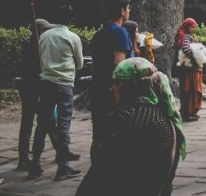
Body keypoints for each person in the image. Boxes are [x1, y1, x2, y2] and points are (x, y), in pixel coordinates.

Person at [75, 58, 186, 196]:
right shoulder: (164, 116)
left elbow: (99, 176)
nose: (111, 89)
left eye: (116, 83)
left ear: (130, 87)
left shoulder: (129, 119)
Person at [29, 5, 83, 180]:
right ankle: (63, 166)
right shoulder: (73, 37)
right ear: (71, 20)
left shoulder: (44, 36)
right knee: (64, 124)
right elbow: (79, 64)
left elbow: (41, 59)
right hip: (64, 84)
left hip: (46, 83)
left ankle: (34, 164)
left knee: (42, 124)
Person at [90, 0, 133, 153]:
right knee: (115, 133)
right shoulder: (120, 32)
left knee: (99, 135)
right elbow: (119, 64)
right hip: (113, 90)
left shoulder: (99, 33)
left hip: (97, 87)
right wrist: (118, 90)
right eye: (128, 8)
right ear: (122, 11)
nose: (129, 11)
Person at [17, 18, 58, 170]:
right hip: (34, 88)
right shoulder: (34, 48)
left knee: (43, 121)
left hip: (32, 87)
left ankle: (59, 150)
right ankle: (24, 158)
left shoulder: (35, 45)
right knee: (38, 121)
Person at [172, 17, 203, 122]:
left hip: (186, 68)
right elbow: (185, 48)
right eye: (191, 27)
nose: (193, 29)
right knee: (190, 90)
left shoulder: (184, 36)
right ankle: (188, 113)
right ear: (187, 27)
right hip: (189, 69)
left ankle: (189, 112)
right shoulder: (186, 37)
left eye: (194, 27)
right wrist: (195, 57)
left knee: (188, 90)